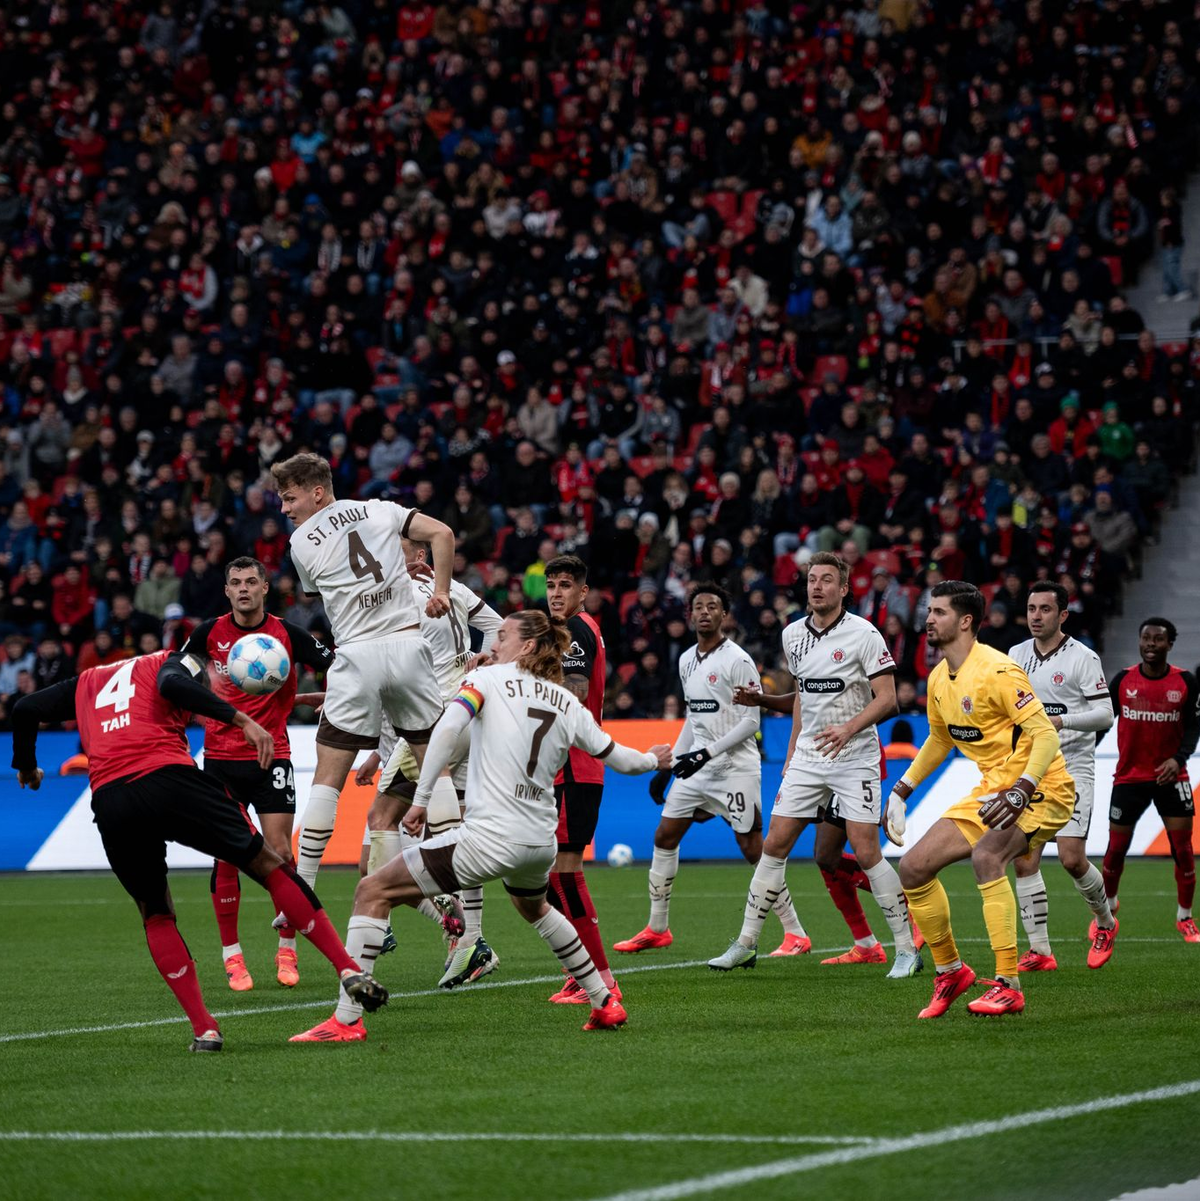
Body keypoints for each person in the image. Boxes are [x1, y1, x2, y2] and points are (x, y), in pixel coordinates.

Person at [290, 611, 671, 1042]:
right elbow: (620, 758)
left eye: (502, 636)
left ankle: (345, 1021)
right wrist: (654, 759)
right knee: (536, 908)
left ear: (527, 646)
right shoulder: (566, 700)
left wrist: (420, 799)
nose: (492, 645)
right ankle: (604, 1001)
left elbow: (445, 729)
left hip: (490, 838)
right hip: (537, 842)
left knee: (372, 890)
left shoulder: (488, 681)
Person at [10, 649, 383, 1053]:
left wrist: (27, 766)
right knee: (267, 864)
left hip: (113, 798)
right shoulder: (169, 660)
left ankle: (204, 1028)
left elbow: (26, 707)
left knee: (155, 912)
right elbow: (174, 684)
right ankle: (346, 967)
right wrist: (240, 719)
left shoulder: (86, 681)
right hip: (169, 778)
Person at [707, 553, 922, 978]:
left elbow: (888, 698)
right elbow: (805, 697)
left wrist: (848, 729)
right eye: (811, 580)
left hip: (855, 756)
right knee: (774, 846)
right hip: (808, 757)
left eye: (827, 580)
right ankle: (746, 943)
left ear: (844, 589)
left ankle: (904, 949)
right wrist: (790, 755)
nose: (817, 586)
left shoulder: (865, 634)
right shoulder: (792, 635)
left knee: (864, 851)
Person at [891, 582, 1077, 1018]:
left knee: (987, 855)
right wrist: (903, 789)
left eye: (938, 612)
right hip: (995, 790)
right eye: (929, 611)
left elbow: (1045, 735)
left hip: (1043, 786)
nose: (928, 619)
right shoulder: (938, 678)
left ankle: (1008, 983)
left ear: (965, 621)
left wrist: (1022, 788)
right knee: (913, 868)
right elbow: (939, 740)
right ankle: (951, 971)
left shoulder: (998, 671)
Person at [271, 452, 454, 891]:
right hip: (409, 645)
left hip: (356, 655)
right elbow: (443, 533)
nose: (285, 509)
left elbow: (319, 591)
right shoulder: (381, 509)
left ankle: (304, 891)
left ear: (317, 492)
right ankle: (467, 908)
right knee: (437, 770)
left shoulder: (300, 543)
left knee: (327, 780)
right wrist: (442, 590)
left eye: (289, 497)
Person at [612, 585, 809, 955]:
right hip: (697, 767)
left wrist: (706, 754)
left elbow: (752, 722)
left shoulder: (738, 659)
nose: (704, 612)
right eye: (698, 606)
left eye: (712, 606)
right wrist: (669, 765)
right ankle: (657, 928)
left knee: (752, 849)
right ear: (690, 614)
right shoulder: (686, 659)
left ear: (724, 616)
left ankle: (795, 932)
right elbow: (694, 717)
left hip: (735, 768)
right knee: (665, 836)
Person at [354, 535, 504, 986]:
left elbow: (384, 677)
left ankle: (445, 926)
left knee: (383, 817)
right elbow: (496, 626)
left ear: (418, 556)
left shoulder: (395, 597)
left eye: (389, 547)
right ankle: (467, 934)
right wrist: (485, 662)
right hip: (468, 708)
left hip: (433, 720)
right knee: (451, 829)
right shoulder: (452, 589)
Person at [180, 556, 335, 991]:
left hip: (274, 757)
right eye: (236, 582)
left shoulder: (287, 634)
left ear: (265, 588)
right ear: (227, 591)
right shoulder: (208, 635)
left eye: (251, 581)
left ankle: (288, 948)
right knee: (227, 854)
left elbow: (339, 665)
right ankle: (232, 957)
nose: (244, 588)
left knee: (281, 852)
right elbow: (177, 678)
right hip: (221, 758)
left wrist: (311, 698)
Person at [1009, 583, 1118, 970]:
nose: (1036, 616)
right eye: (1031, 608)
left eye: (1045, 609)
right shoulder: (1016, 654)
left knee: (1072, 859)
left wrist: (1060, 719)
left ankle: (1105, 921)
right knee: (1024, 860)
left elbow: (1105, 714)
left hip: (1073, 770)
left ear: (1062, 616)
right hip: (1033, 773)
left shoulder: (1082, 658)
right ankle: (1040, 951)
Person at [542, 555, 619, 1004]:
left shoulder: (578, 632)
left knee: (565, 876)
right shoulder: (567, 631)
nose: (556, 593)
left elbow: (573, 690)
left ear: (582, 592)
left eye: (566, 585)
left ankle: (601, 979)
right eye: (551, 584)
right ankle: (579, 971)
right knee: (551, 877)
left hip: (575, 766)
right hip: (562, 767)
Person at [1103, 617, 1199, 943]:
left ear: (1170, 644)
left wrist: (1178, 759)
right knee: (1115, 851)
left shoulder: (1185, 682)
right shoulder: (1122, 680)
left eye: (1158, 639)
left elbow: (1193, 729)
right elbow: (1103, 721)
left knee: (1183, 851)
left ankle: (1185, 917)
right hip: (1129, 778)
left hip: (1172, 777)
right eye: (1146, 638)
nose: (1150, 644)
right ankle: (1108, 911)